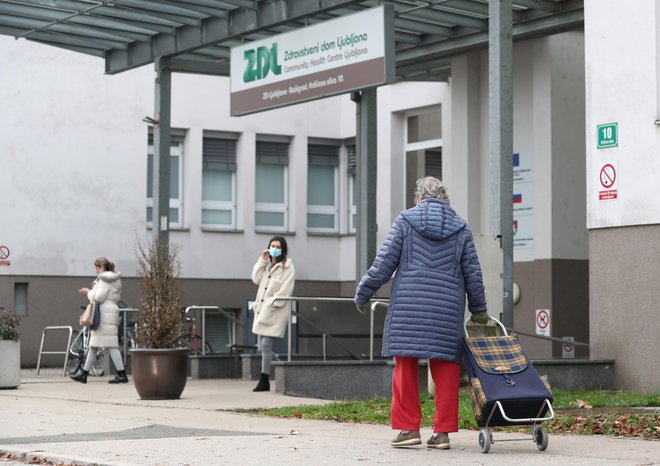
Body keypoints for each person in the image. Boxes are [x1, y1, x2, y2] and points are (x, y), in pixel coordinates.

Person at [354, 176, 490, 450]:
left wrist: (364, 292)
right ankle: (442, 433)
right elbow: (473, 274)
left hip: (409, 305)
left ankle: (408, 429)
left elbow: (383, 263)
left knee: (405, 363)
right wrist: (479, 310)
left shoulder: (405, 220)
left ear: (419, 198)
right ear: (446, 198)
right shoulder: (461, 227)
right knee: (446, 367)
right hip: (446, 308)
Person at [71, 257, 128, 384]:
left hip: (104, 313)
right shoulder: (113, 279)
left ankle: (121, 374)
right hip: (109, 312)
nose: (96, 270)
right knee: (95, 345)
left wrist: (87, 292)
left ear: (102, 267)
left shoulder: (104, 279)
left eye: (97, 267)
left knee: (108, 345)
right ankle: (85, 374)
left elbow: (98, 297)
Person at [250, 236, 296, 392]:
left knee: (265, 345)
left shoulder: (288, 267)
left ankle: (264, 379)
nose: (275, 248)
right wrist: (262, 261)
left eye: (278, 246)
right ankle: (274, 372)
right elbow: (255, 279)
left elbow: (286, 291)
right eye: (272, 245)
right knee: (263, 347)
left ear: (283, 249)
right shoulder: (268, 265)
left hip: (274, 313)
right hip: (262, 312)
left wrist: (271, 303)